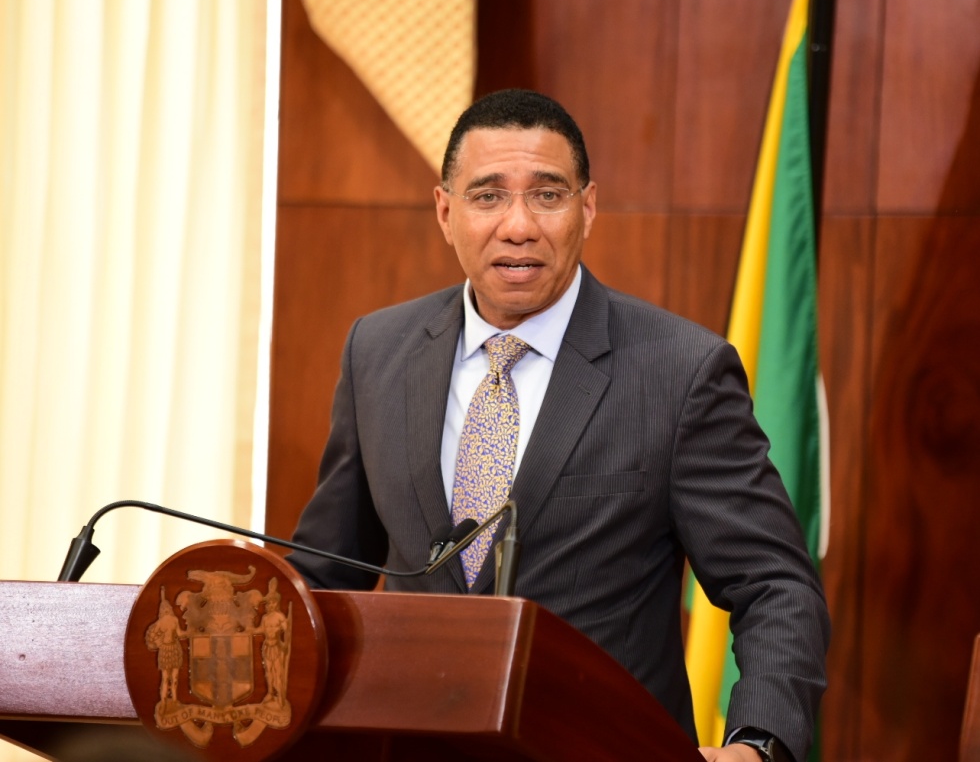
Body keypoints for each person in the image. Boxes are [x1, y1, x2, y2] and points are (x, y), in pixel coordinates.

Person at [287, 89, 829, 761]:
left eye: (547, 195)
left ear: (588, 208)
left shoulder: (680, 371)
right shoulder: (378, 350)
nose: (518, 225)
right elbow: (323, 571)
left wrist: (759, 744)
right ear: (445, 211)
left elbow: (774, 583)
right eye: (487, 196)